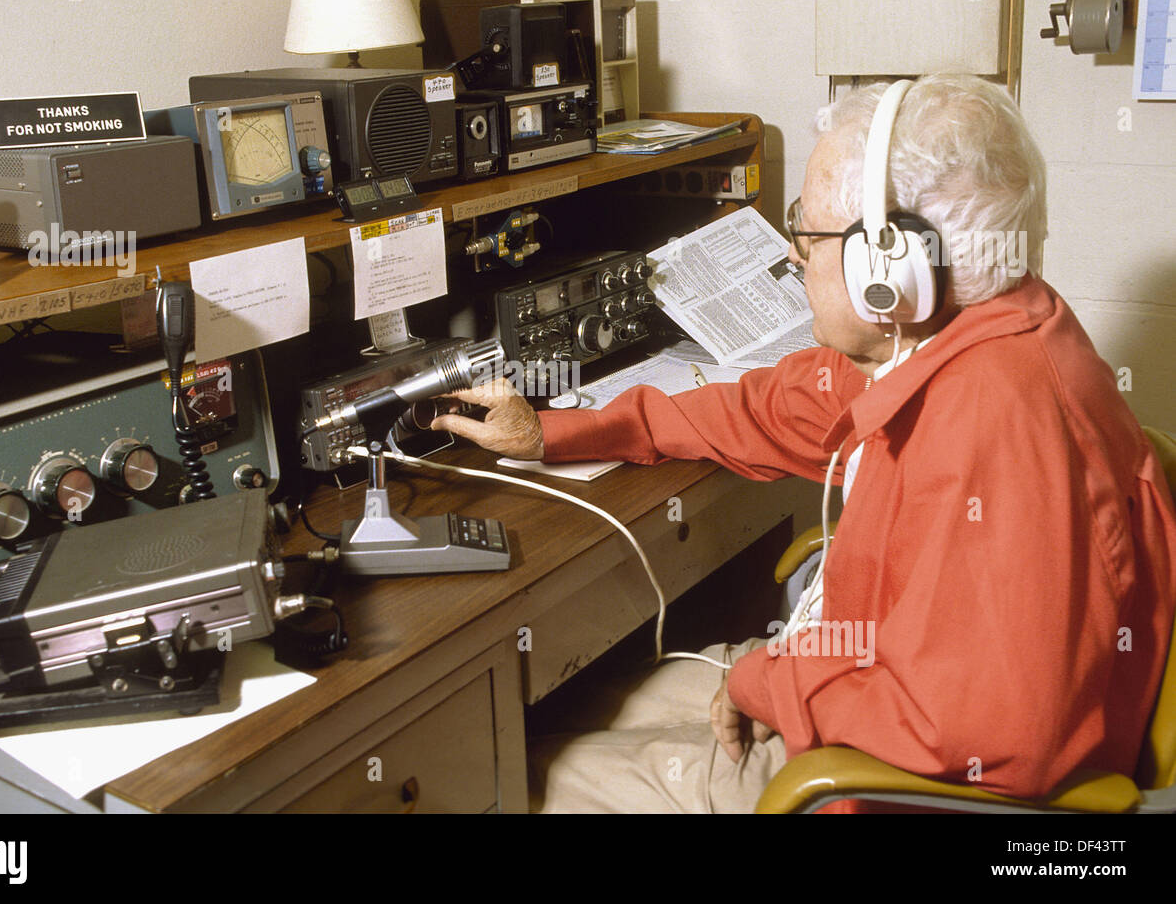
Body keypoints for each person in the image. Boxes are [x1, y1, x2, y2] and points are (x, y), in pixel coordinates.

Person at [431, 74, 1176, 813]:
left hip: (875, 780)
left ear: (890, 262)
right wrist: (559, 430)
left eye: (809, 234)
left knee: (515, 774)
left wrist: (771, 682)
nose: (792, 254)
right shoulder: (957, 337)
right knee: (580, 706)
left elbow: (991, 729)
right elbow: (767, 409)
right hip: (854, 669)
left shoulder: (994, 422)